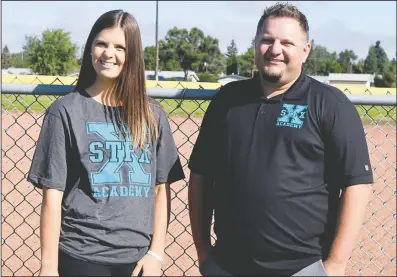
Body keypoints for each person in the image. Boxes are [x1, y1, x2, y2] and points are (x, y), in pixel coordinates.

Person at [188, 3, 373, 276]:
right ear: (255, 46)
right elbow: (201, 175)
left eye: (287, 42)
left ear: (305, 50)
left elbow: (357, 184)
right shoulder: (227, 101)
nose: (275, 49)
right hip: (227, 265)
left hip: (303, 268)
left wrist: (335, 264)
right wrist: (203, 251)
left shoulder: (330, 104)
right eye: (267, 40)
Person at [27, 10, 184, 277]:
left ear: (132, 55)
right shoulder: (65, 111)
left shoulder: (152, 114)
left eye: (120, 47)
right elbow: (51, 197)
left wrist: (156, 253)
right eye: (101, 43)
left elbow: (161, 190)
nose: (108, 53)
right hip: (81, 254)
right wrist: (48, 267)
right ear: (90, 48)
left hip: (138, 258)